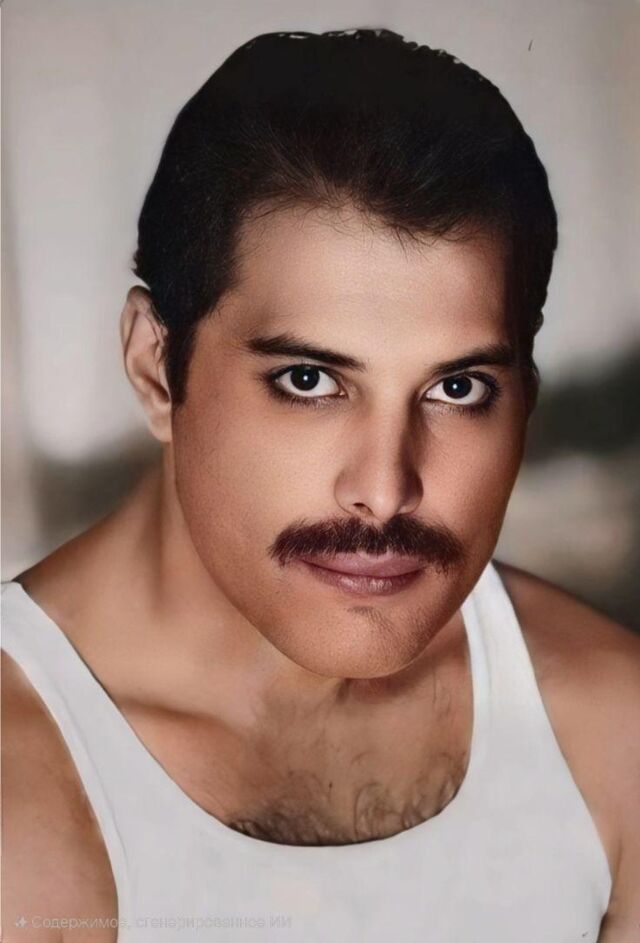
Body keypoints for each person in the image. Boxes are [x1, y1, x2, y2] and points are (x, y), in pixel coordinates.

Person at [2, 27, 638, 942]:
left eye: (458, 389)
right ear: (155, 368)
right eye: (309, 380)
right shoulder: (21, 799)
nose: (384, 491)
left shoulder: (613, 728)